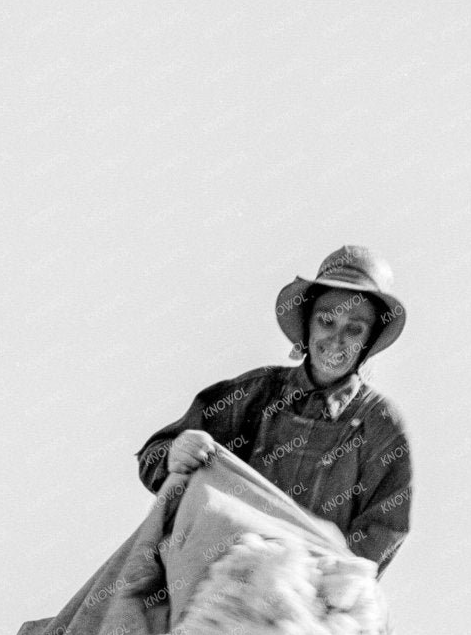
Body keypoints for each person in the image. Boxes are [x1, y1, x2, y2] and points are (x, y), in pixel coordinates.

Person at [136, 245, 412, 577]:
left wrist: (322, 579)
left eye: (354, 328)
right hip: (215, 582)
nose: (337, 339)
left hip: (309, 602)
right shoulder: (255, 392)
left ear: (369, 340)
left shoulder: (380, 425)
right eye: (327, 321)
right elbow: (154, 456)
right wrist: (174, 455)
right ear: (308, 324)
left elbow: (381, 535)